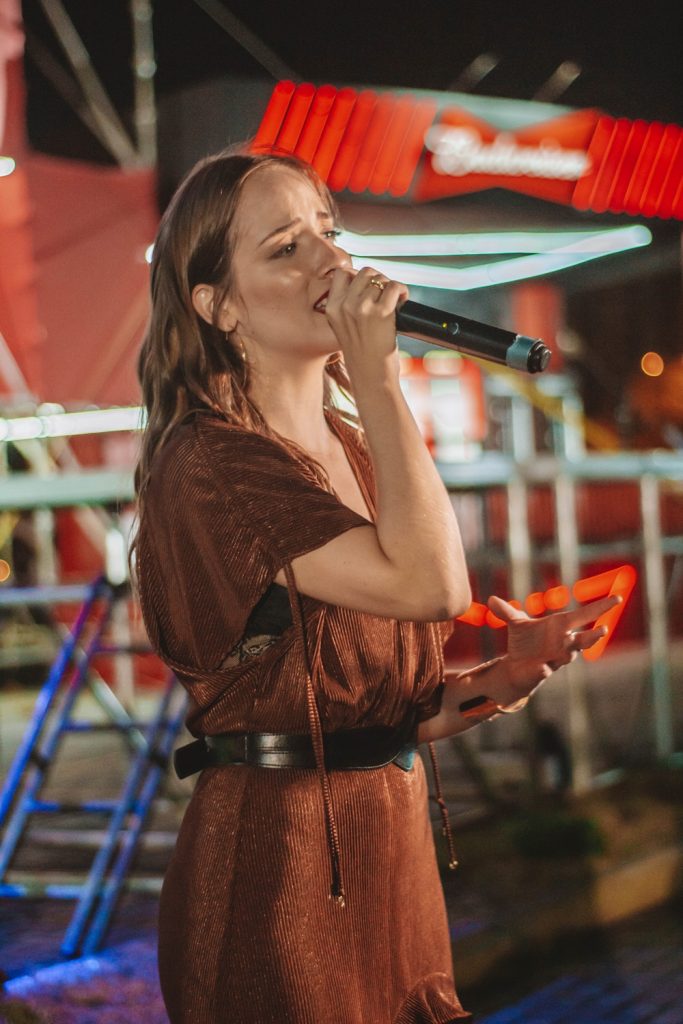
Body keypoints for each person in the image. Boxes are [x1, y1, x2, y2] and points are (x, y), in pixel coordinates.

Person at [131, 147, 618, 1024]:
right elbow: (432, 585)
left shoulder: (352, 447)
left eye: (329, 232)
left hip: (392, 872)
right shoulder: (213, 463)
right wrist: (379, 374)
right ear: (218, 306)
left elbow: (375, 715)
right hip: (277, 883)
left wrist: (505, 678)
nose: (331, 261)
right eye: (286, 248)